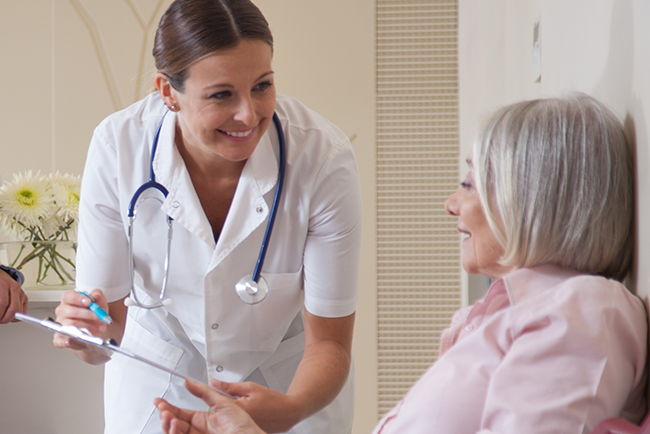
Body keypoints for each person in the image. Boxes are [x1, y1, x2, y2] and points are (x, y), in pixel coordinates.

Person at [155, 94, 648, 434]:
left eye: (471, 185)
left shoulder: (581, 314)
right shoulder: (503, 314)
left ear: (536, 202)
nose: (451, 203)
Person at [53, 1, 362, 433]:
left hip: (288, 382)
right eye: (221, 94)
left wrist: (291, 409)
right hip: (159, 375)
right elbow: (107, 331)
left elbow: (330, 342)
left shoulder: (322, 158)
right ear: (167, 92)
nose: (248, 114)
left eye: (262, 86)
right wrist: (85, 335)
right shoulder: (118, 147)